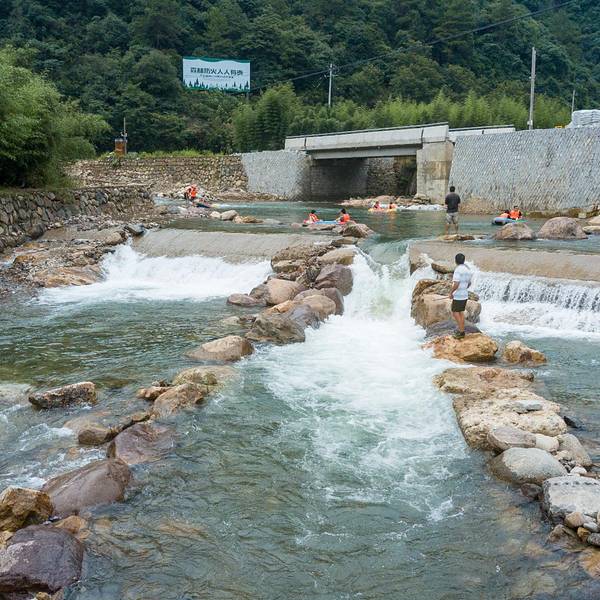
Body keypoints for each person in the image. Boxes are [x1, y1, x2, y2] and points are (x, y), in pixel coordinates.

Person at [449, 253, 473, 339]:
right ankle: (462, 330)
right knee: (461, 312)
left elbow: (456, 283)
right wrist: (464, 288)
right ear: (463, 260)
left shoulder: (458, 270)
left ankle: (461, 331)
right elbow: (469, 283)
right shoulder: (467, 269)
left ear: (456, 261)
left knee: (455, 312)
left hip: (458, 295)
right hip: (465, 294)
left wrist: (451, 293)